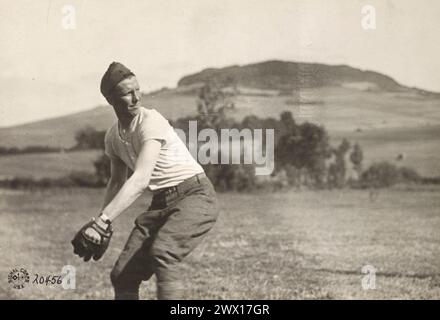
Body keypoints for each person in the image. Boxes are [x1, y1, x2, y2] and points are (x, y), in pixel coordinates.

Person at [71, 62, 220, 300]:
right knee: (122, 276)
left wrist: (101, 222)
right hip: (161, 204)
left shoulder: (151, 121)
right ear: (111, 100)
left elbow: (140, 179)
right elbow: (117, 182)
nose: (136, 97)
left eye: (138, 90)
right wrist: (102, 224)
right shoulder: (113, 137)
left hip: (195, 195)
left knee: (163, 253)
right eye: (127, 93)